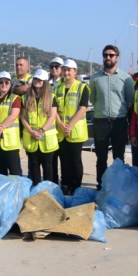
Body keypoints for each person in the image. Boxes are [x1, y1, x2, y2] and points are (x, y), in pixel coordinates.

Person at [89, 45, 134, 189]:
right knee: (100, 157)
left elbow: (129, 100)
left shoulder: (126, 78)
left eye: (111, 55)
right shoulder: (95, 78)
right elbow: (93, 98)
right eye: (105, 55)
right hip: (100, 122)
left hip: (119, 122)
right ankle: (101, 185)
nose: (108, 57)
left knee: (118, 157)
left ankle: (117, 185)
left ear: (117, 58)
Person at [55, 59, 89, 194]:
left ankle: (76, 186)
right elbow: (54, 108)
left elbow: (83, 108)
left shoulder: (82, 87)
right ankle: (65, 184)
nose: (66, 72)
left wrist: (68, 126)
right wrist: (60, 124)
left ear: (75, 72)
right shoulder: (57, 88)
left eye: (69, 70)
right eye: (64, 69)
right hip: (61, 129)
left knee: (75, 160)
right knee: (64, 159)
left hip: (75, 130)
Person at [21, 70, 58, 185]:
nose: (37, 81)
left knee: (48, 165)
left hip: (46, 138)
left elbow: (52, 116)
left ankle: (47, 189)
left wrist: (41, 131)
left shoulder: (52, 97)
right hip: (31, 137)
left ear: (45, 82)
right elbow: (23, 117)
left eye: (40, 80)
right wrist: (32, 131)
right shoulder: (25, 97)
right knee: (34, 165)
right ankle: (37, 188)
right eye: (36, 79)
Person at [0, 71, 22, 176]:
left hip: (10, 141)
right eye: (1, 82)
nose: (4, 84)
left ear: (10, 84)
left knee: (13, 168)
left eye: (7, 82)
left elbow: (13, 116)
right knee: (1, 168)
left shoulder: (15, 98)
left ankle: (17, 190)